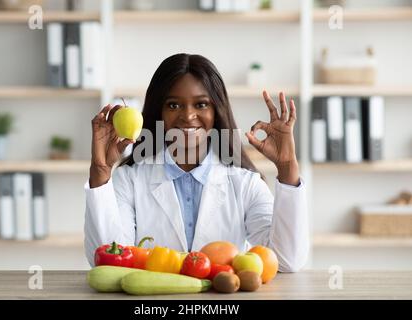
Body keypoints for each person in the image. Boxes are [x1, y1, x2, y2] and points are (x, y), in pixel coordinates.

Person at [84, 53, 308, 272]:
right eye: (173, 105)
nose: (188, 116)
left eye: (201, 105)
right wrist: (100, 172)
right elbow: (107, 262)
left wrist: (288, 168)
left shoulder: (245, 183)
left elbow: (286, 261)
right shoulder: (130, 180)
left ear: (216, 111)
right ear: (158, 112)